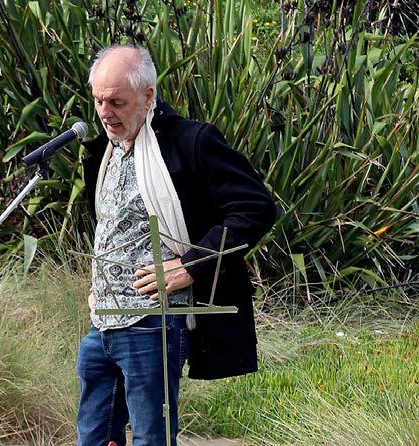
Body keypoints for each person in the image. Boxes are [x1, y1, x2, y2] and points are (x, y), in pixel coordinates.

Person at [76, 45, 276, 446]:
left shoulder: (191, 140)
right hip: (103, 322)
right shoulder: (104, 149)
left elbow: (255, 207)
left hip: (155, 322)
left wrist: (191, 265)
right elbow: (111, 226)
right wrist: (100, 284)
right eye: (98, 101)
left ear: (147, 95)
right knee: (93, 437)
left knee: (151, 438)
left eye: (116, 102)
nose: (104, 112)